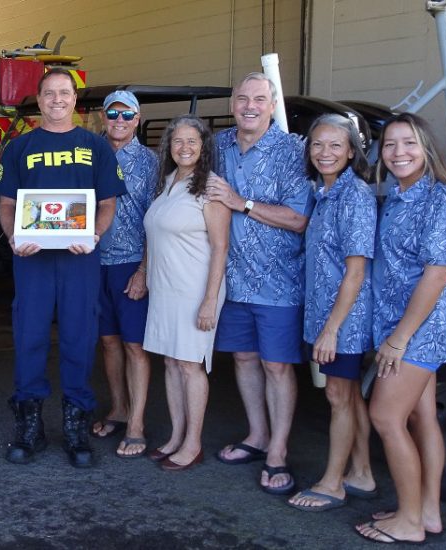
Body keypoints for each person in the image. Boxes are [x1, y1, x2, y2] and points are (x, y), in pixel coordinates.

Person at [0, 68, 127, 468]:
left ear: (74, 98)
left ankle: (75, 426)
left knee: (78, 341)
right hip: (32, 261)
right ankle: (29, 426)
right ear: (39, 98)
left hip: (78, 261)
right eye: (49, 93)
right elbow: (6, 204)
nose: (56, 100)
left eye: (64, 93)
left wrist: (95, 236)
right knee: (29, 339)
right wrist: (14, 237)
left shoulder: (95, 147)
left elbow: (107, 204)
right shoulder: (19, 148)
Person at [355, 113, 446, 544]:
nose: (398, 152)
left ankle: (408, 522)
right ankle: (426, 512)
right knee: (422, 416)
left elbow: (437, 275)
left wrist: (399, 337)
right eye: (390, 145)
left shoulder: (440, 198)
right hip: (399, 321)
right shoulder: (399, 195)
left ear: (426, 148)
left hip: (420, 327)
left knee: (385, 417)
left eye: (408, 143)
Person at [207, 72, 312, 494]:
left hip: (280, 282)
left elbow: (299, 218)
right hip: (233, 280)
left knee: (276, 365)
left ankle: (279, 451)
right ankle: (257, 435)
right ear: (233, 103)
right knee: (245, 359)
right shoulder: (219, 146)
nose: (250, 106)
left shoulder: (292, 152)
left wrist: (241, 203)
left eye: (260, 99)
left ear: (272, 105)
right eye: (243, 98)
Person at [287, 114, 377, 512]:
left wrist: (332, 330)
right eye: (318, 145)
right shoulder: (324, 193)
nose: (325, 153)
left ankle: (332, 483)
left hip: (343, 320)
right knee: (351, 396)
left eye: (335, 145)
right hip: (323, 313)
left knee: (339, 395)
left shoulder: (354, 196)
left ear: (351, 151)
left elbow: (356, 271)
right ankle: (362, 472)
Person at [143, 115, 230, 471]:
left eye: (192, 141)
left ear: (204, 146)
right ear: (169, 146)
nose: (185, 147)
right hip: (165, 288)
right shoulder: (166, 182)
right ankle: (176, 435)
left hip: (196, 289)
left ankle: (193, 443)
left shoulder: (211, 187)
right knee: (170, 360)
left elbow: (221, 247)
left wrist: (210, 299)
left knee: (190, 364)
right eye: (178, 141)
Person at [90, 90, 157, 460]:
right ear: (103, 116)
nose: (119, 121)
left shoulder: (150, 162)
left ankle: (136, 424)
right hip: (90, 262)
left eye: (126, 115)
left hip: (131, 264)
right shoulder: (89, 153)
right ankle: (118, 409)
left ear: (138, 119)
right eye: (113, 114)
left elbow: (155, 221)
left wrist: (145, 270)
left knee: (135, 345)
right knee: (109, 342)